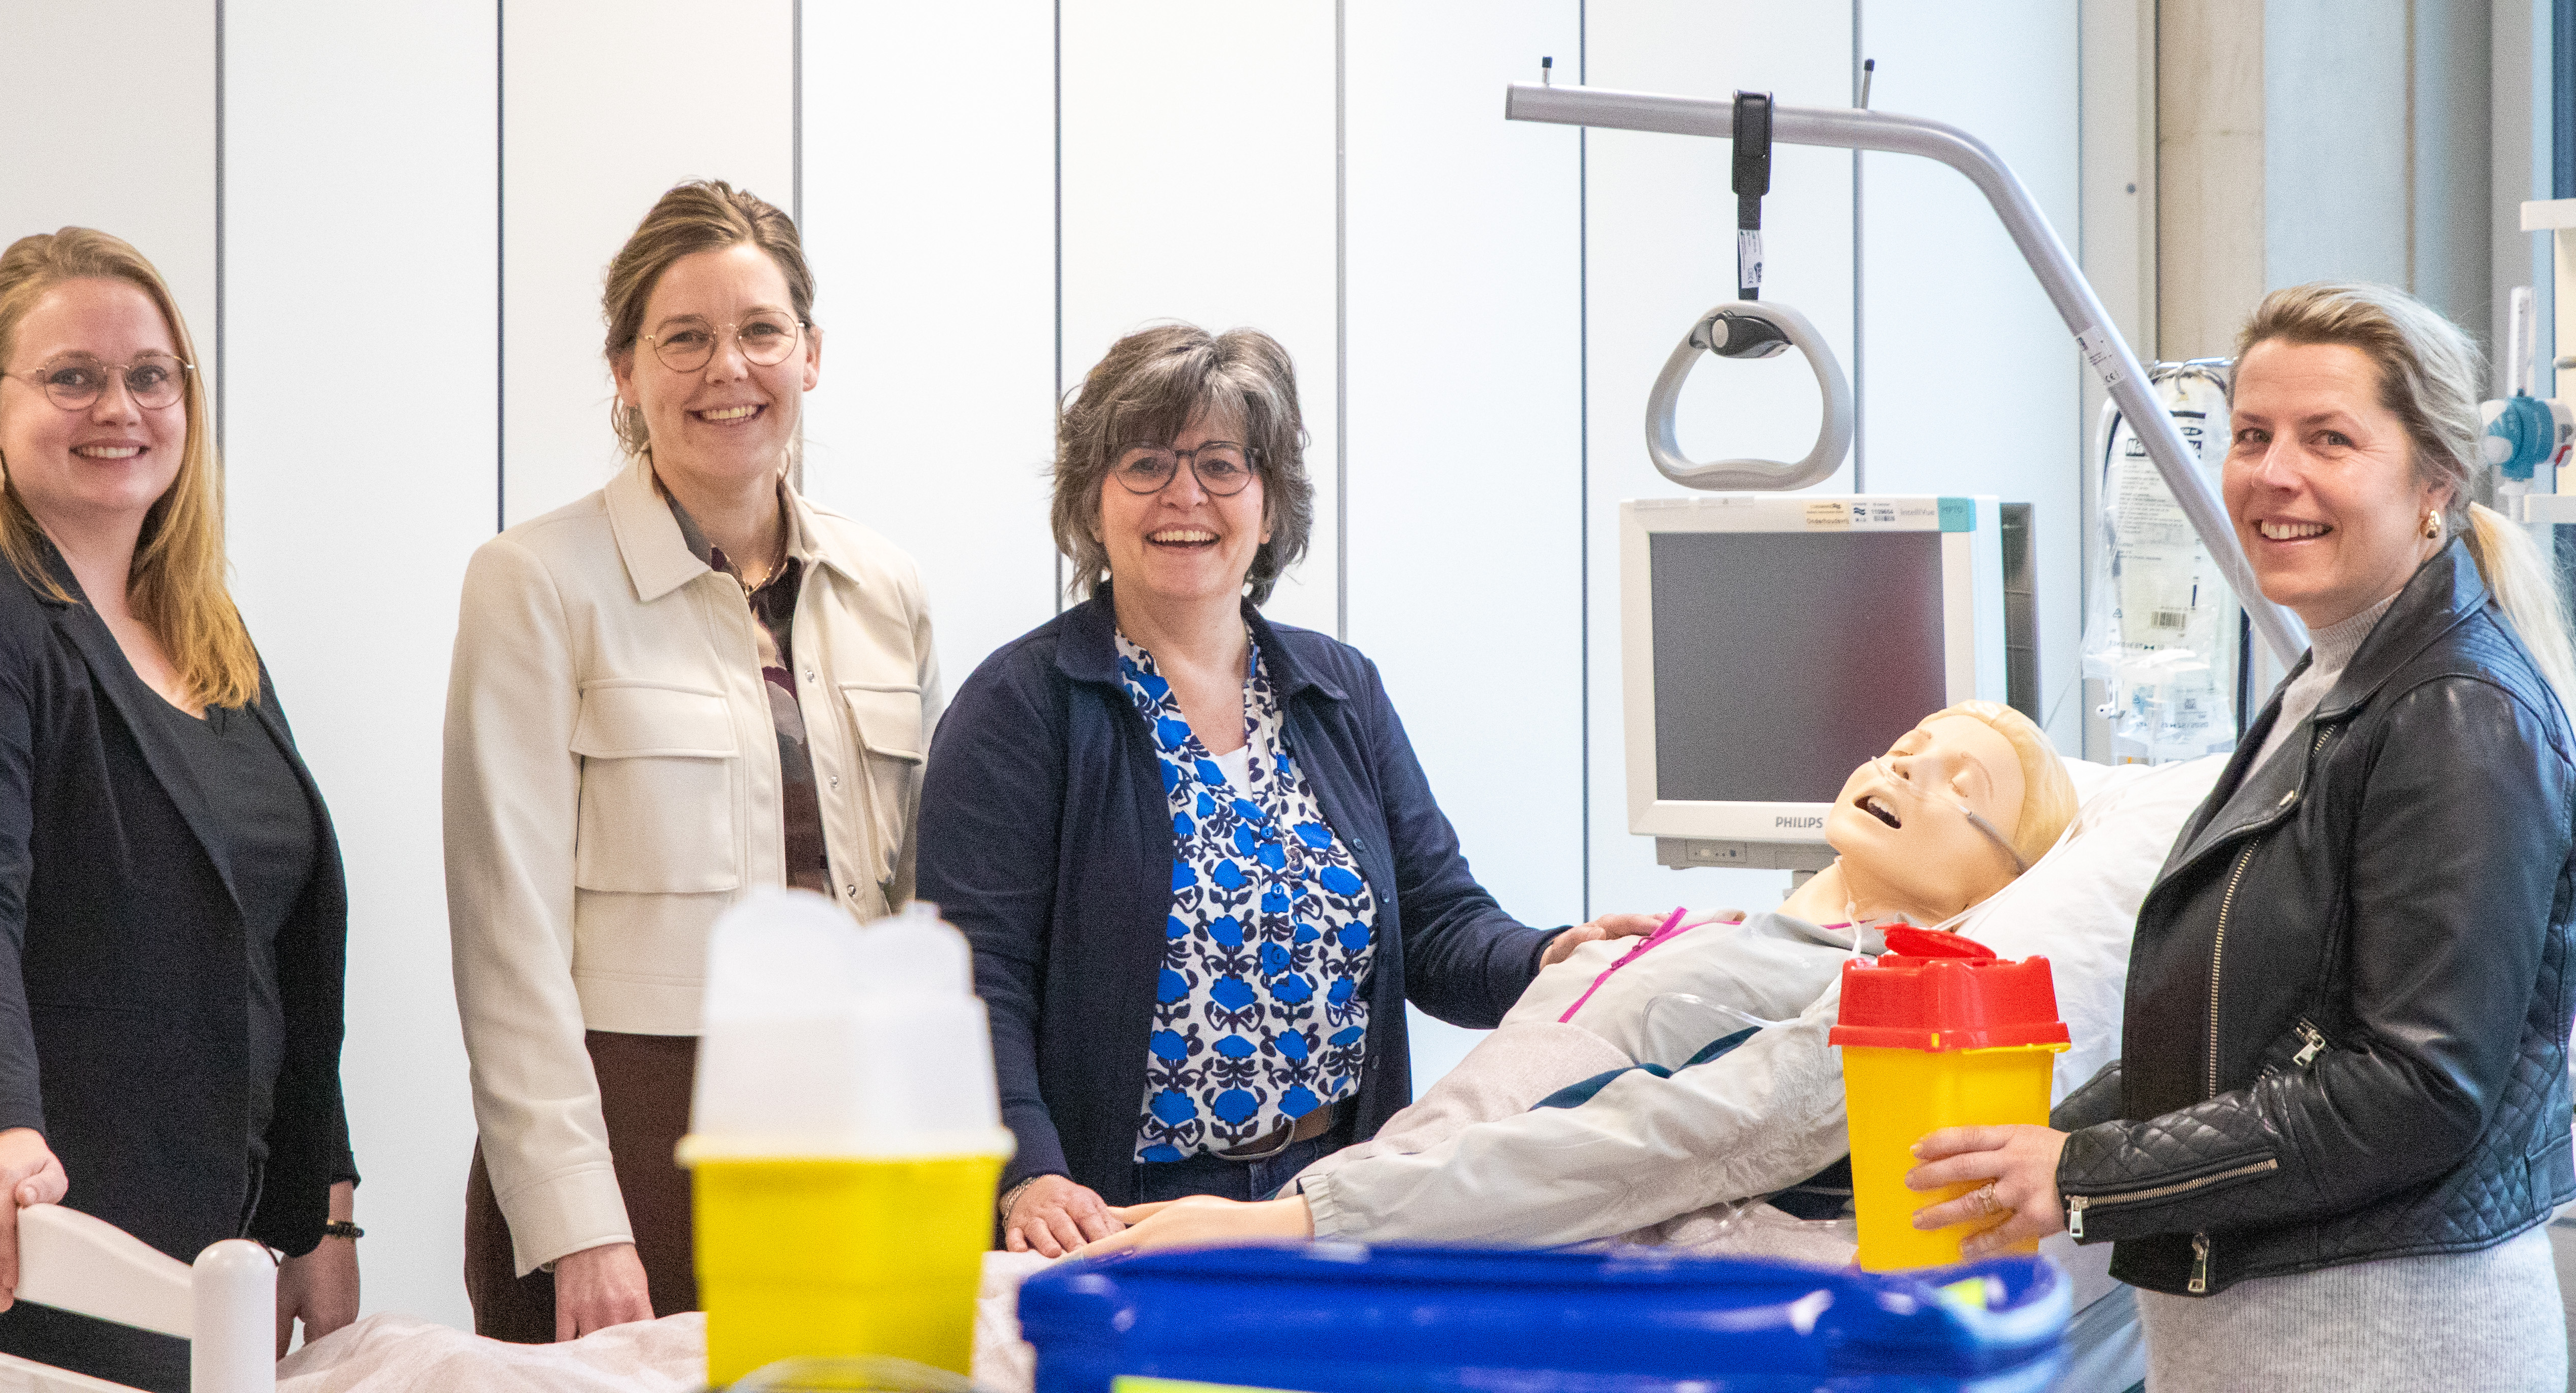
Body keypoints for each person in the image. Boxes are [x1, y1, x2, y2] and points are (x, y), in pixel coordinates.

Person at [1905, 282, 2575, 1393]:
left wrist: (2086, 1172)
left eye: (2330, 440)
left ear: (2433, 488)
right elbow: (2239, 1044)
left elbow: (2417, 1091)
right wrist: (2029, 1154)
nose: (2274, 475)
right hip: (2276, 1342)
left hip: (2382, 1344)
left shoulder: (2456, 714)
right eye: (2254, 436)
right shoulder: (2334, 682)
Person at [919, 322, 1672, 1259]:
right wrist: (1027, 1173)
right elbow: (970, 981)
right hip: (1114, 1215)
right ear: (1092, 502)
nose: (1184, 495)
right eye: (1146, 463)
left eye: (1223, 465)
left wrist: (1551, 956)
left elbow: (1438, 924)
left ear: (1270, 508)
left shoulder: (1336, 689)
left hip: (1334, 1199)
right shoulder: (1022, 705)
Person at [0, 229, 359, 1392]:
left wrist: (326, 1213)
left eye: (150, 375)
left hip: (221, 1249)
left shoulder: (206, 634)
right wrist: (4, 1140)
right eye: (71, 375)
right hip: (42, 1242)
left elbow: (275, 946)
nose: (116, 406)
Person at [445, 181, 940, 1340]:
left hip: (849, 1140)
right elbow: (505, 935)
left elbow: (922, 916)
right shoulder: (535, 583)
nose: (731, 368)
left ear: (809, 354)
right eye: (686, 339)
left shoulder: (889, 591)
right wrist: (579, 1223)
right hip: (639, 1138)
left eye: (761, 331)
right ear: (625, 370)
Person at [1080, 701, 2076, 1254]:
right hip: (1356, 1208)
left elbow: (1638, 1146)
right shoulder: (1720, 929)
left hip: (1404, 1254)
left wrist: (1292, 1224)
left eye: (1962, 784)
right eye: (1906, 747)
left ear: (2012, 874)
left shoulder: (1872, 998)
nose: (1906, 771)